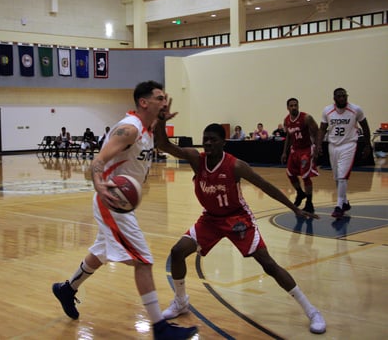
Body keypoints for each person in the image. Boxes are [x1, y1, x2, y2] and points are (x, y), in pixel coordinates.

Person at [154, 110, 326, 334]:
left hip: (238, 218)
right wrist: (160, 122)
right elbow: (164, 146)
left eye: (212, 140)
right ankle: (181, 301)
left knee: (268, 265)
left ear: (223, 143)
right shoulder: (198, 159)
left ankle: (312, 310)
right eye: (205, 139)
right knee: (177, 251)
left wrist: (294, 208)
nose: (207, 143)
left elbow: (266, 186)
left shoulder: (236, 166)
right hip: (210, 219)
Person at [52, 81, 198, 340]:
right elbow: (98, 160)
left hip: (121, 202)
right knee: (143, 260)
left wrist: (162, 119)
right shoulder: (129, 129)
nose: (165, 102)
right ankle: (160, 329)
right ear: (144, 102)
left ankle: (67, 288)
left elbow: (162, 144)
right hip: (111, 201)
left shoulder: (148, 127)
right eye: (160, 98)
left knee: (100, 252)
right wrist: (99, 184)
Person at [316, 87, 371, 219]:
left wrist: (368, 145)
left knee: (342, 176)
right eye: (339, 96)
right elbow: (322, 128)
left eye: (344, 96)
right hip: (333, 145)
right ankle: (345, 202)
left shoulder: (356, 109)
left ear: (347, 96)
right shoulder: (327, 110)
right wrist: (318, 144)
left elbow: (365, 126)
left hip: (349, 144)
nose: (342, 98)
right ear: (334, 98)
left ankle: (339, 206)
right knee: (337, 177)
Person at [281, 98, 319, 213]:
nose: (294, 107)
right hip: (295, 150)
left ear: (298, 106)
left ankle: (309, 203)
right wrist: (284, 152)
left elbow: (317, 132)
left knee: (305, 176)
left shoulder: (306, 118)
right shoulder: (286, 120)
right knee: (290, 174)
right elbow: (288, 136)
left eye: (295, 105)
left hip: (306, 150)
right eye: (291, 106)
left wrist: (317, 148)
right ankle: (300, 193)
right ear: (287, 107)